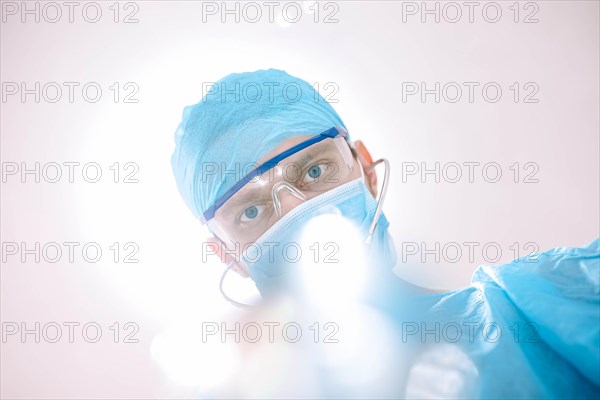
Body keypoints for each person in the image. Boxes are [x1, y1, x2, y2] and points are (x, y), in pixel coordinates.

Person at [171, 69, 599, 398]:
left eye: (315, 171)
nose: (297, 212)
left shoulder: (537, 309)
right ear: (228, 256)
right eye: (251, 210)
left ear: (367, 171)